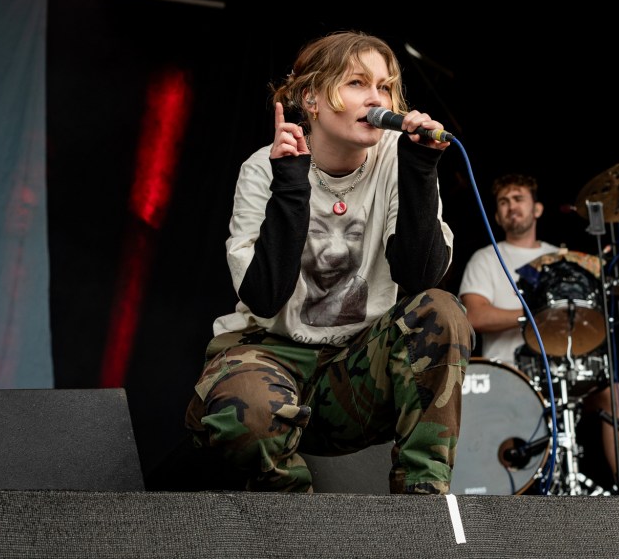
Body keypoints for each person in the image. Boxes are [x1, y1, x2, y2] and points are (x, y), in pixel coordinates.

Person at [184, 30, 474, 494]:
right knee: (243, 412)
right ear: (311, 99)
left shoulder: (399, 161)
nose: (376, 98)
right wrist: (291, 184)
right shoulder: (263, 168)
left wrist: (420, 169)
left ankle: (422, 505)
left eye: (385, 87)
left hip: (356, 370)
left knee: (442, 310)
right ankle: (299, 517)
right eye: (357, 83)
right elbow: (264, 297)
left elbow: (419, 277)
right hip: (273, 352)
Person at [458, 173, 619, 490]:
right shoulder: (486, 258)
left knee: (616, 395)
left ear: (537, 209)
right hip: (511, 375)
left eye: (518, 199)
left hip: (560, 370)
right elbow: (473, 315)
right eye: (503, 202)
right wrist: (534, 318)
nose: (511, 206)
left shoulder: (563, 259)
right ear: (497, 216)